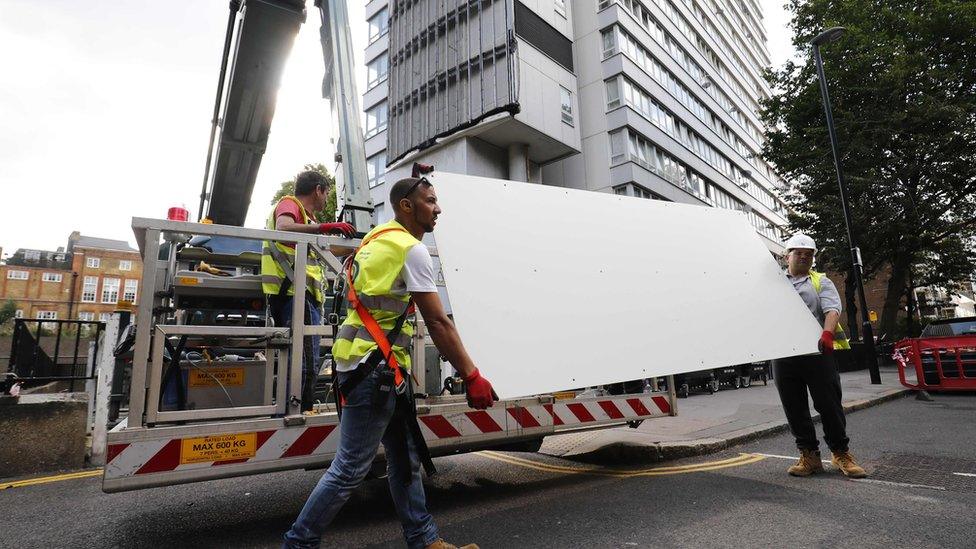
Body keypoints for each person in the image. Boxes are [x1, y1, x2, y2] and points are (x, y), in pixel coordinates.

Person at [283, 176, 496, 549]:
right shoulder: (410, 250)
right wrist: (471, 375)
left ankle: (424, 539)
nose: (439, 208)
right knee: (350, 468)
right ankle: (297, 544)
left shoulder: (374, 241)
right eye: (430, 201)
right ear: (407, 207)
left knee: (404, 456)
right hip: (376, 370)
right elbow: (438, 322)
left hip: (370, 367)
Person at [773, 233, 867, 479]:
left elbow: (832, 309)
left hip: (817, 352)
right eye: (798, 253)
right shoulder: (774, 283)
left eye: (809, 254)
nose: (804, 257)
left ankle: (841, 454)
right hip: (783, 353)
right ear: (786, 256)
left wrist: (827, 333)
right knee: (794, 407)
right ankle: (809, 456)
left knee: (829, 405)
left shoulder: (821, 282)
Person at [262, 170, 355, 411]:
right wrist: (326, 227)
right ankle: (295, 410)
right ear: (319, 189)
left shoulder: (307, 222)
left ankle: (300, 407)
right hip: (294, 292)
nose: (326, 201)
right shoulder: (289, 204)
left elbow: (329, 252)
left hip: (303, 295)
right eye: (327, 194)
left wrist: (358, 247)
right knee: (303, 359)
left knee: (308, 358)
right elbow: (283, 227)